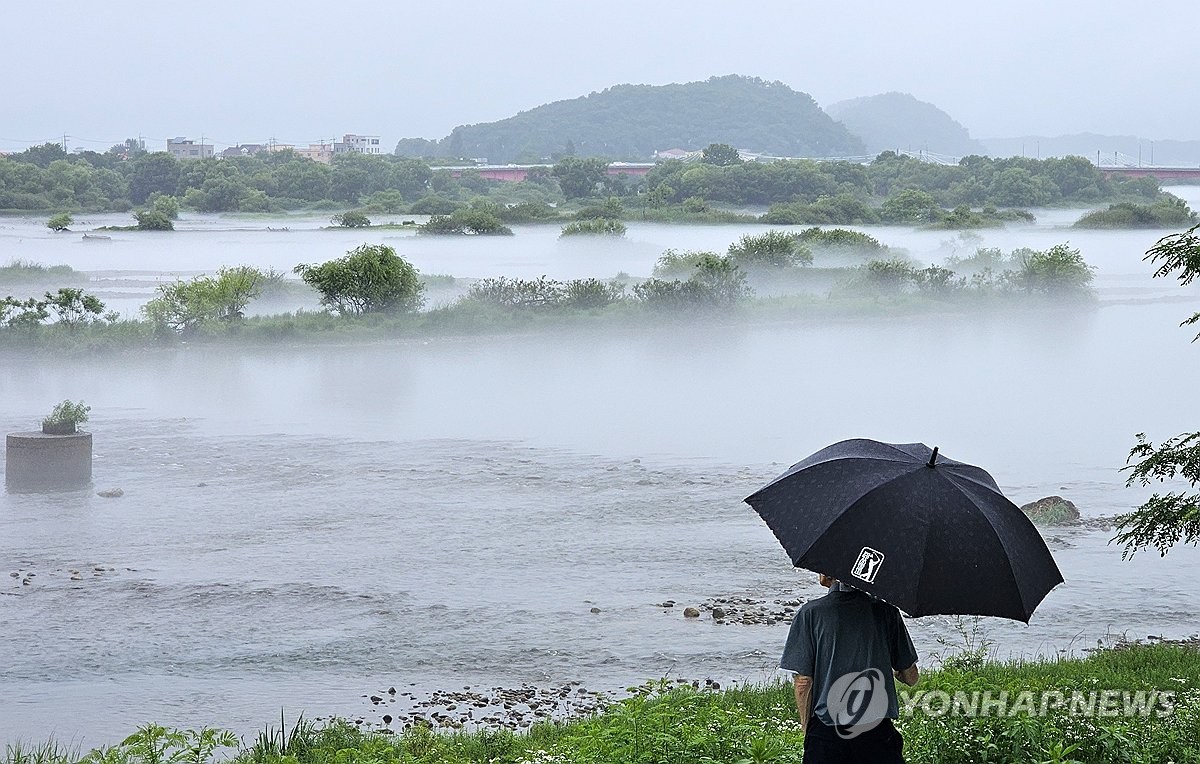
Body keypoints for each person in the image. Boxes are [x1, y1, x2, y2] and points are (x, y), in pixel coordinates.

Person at [781, 573, 919, 763]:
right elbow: (911, 677)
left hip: (827, 733)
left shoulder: (810, 613)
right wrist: (897, 672)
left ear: (828, 574)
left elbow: (803, 682)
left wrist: (806, 726)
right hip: (877, 732)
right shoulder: (886, 612)